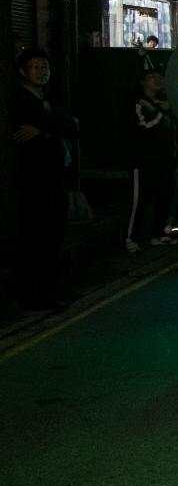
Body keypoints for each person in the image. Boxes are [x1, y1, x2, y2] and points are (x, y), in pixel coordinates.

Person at [9, 48, 78, 311]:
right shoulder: (20, 100)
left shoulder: (49, 99)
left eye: (44, 67)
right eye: (35, 67)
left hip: (56, 175)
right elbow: (59, 125)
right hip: (35, 179)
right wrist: (51, 127)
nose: (41, 71)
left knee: (53, 235)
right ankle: (32, 294)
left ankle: (51, 287)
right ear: (23, 71)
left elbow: (71, 125)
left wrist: (44, 129)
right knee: (34, 237)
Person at [127, 68, 178, 252]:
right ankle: (131, 238)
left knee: (163, 197)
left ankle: (158, 235)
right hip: (143, 160)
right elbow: (143, 127)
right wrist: (160, 112)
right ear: (142, 82)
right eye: (151, 77)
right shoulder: (139, 103)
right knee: (140, 200)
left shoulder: (162, 103)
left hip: (164, 161)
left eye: (159, 77)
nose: (157, 80)